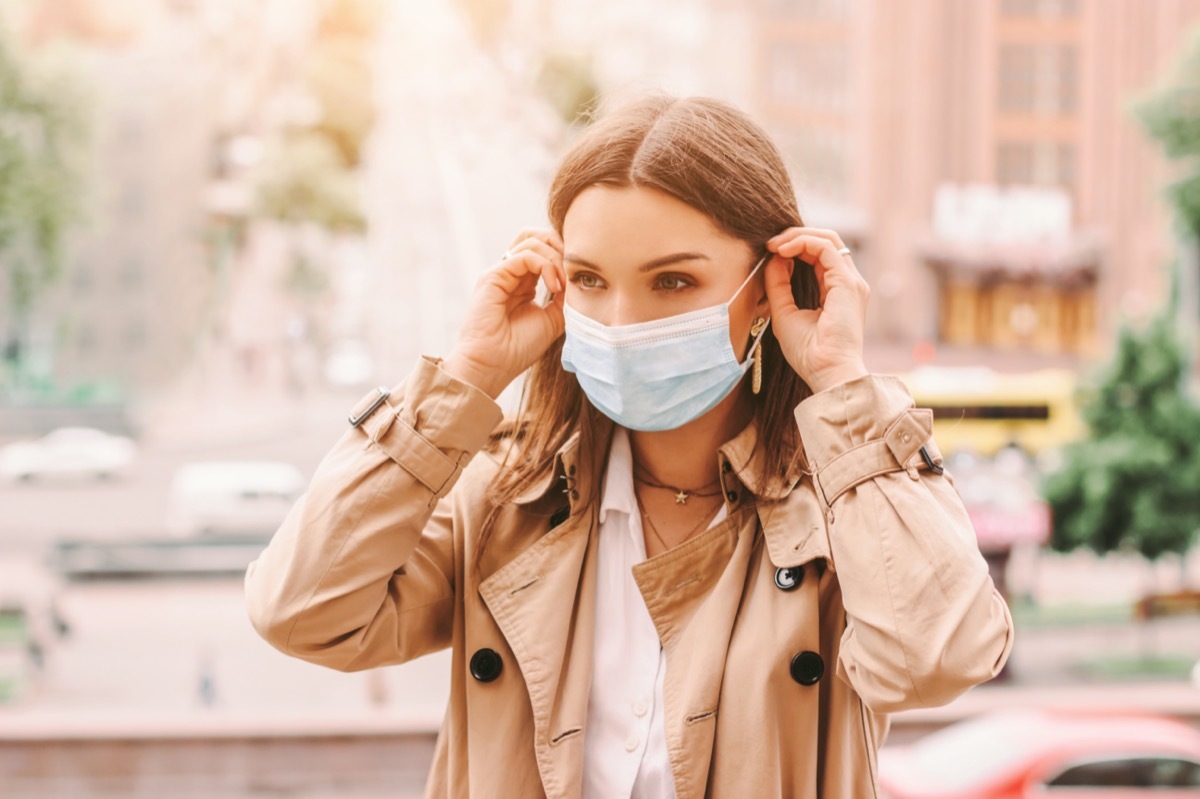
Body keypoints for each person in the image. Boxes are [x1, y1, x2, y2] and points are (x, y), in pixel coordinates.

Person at [245, 94, 1014, 798]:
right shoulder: (507, 498)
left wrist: (841, 381)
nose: (621, 320)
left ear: (767, 288)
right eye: (588, 279)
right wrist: (466, 377)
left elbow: (938, 656)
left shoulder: (839, 510)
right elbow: (302, 610)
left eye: (672, 282)